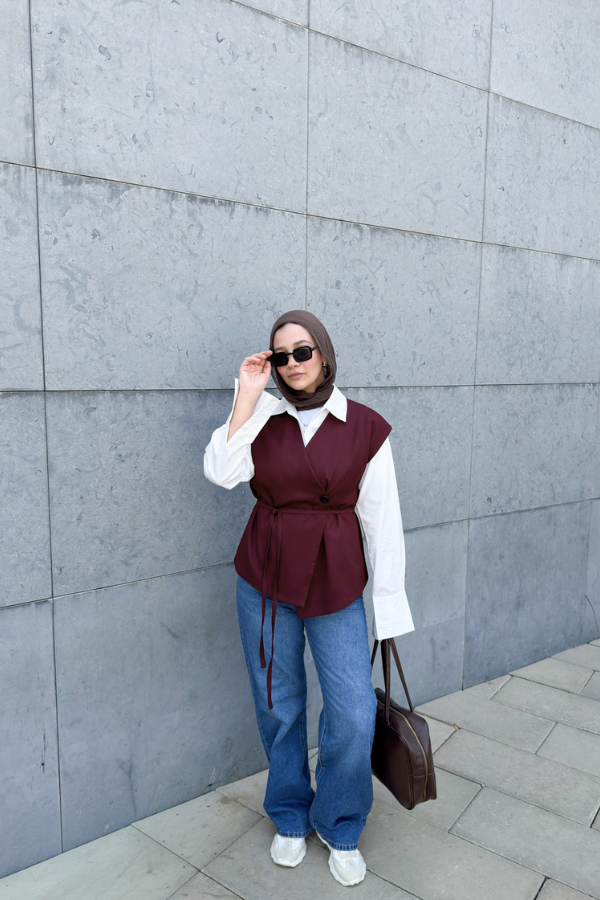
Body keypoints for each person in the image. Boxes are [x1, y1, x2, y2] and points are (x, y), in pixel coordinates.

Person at [203, 309, 414, 887]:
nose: (292, 363)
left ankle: (340, 821)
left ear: (323, 353)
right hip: (264, 576)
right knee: (279, 704)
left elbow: (382, 522)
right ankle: (291, 813)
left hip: (333, 580)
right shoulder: (262, 416)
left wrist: (388, 608)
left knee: (353, 711)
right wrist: (247, 394)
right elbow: (221, 472)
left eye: (303, 351)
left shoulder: (365, 426)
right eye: (280, 355)